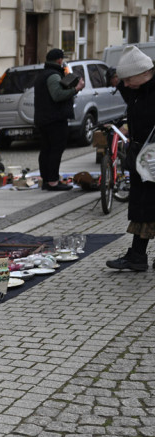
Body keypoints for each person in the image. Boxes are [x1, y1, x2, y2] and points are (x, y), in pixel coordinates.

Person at [106, 46, 155, 271]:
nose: (125, 84)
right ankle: (137, 256)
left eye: (127, 80)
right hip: (142, 159)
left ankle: (137, 255)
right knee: (141, 207)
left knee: (149, 205)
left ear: (143, 73)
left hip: (152, 159)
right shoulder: (138, 90)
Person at [33, 48, 84, 191]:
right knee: (56, 149)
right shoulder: (53, 75)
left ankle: (46, 180)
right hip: (54, 119)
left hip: (43, 119)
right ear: (59, 60)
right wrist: (76, 89)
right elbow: (57, 95)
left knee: (46, 150)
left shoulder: (43, 74)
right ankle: (53, 181)